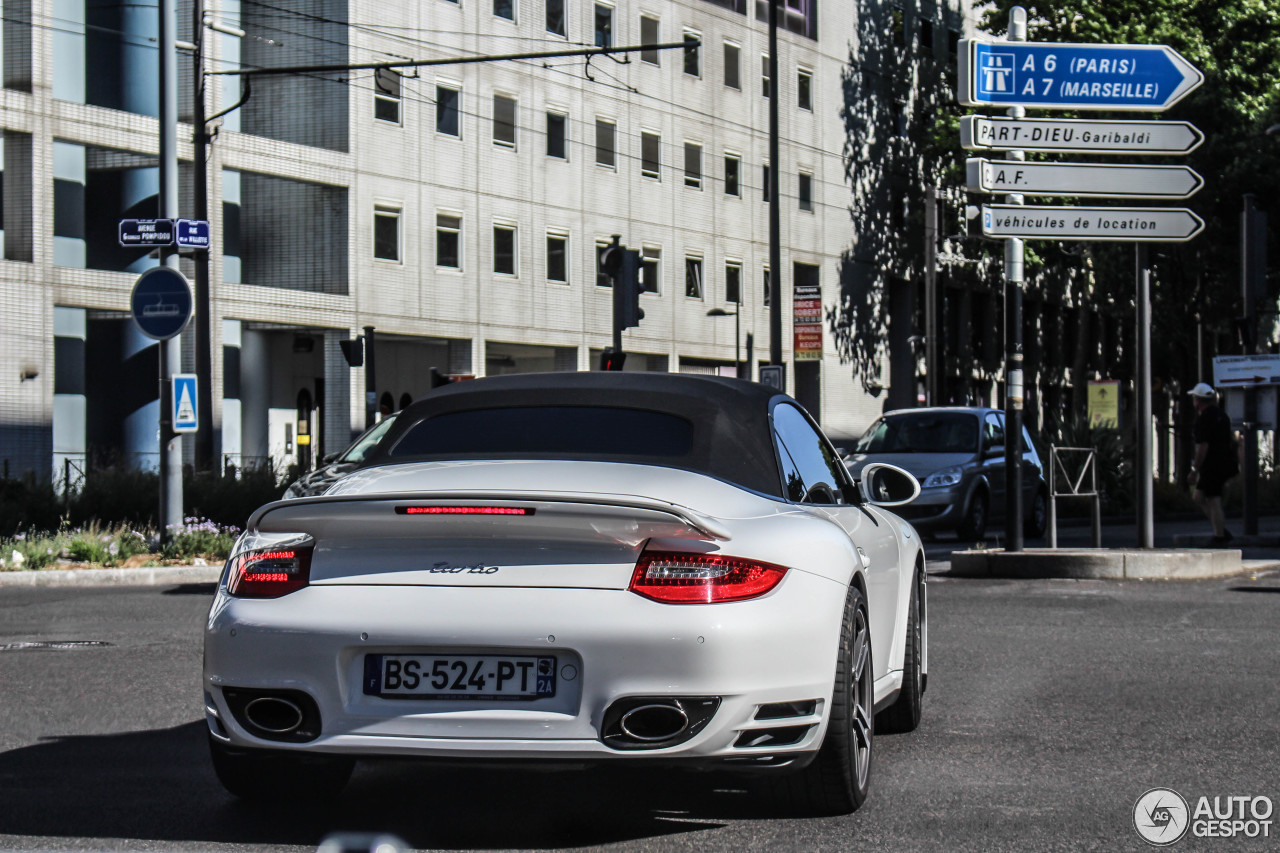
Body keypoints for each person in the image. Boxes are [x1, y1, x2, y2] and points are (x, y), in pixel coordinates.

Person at [1187, 383, 1238, 545]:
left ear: (1198, 401)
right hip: (1224, 462)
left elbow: (1204, 446)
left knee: (1212, 499)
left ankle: (1219, 535)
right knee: (1199, 496)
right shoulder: (1222, 416)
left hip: (1212, 464)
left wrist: (1195, 468)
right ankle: (1220, 528)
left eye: (1194, 398)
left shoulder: (1204, 418)